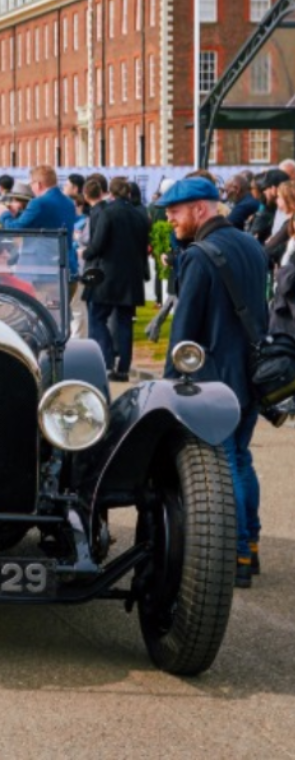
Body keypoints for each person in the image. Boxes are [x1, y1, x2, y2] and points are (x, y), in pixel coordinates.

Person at [160, 175, 267, 588]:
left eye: (175, 214)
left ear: (200, 209)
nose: (171, 221)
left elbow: (184, 331)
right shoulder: (251, 245)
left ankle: (235, 555)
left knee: (223, 466)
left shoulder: (199, 255)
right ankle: (250, 547)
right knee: (240, 459)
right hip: (251, 373)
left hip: (214, 379)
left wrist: (171, 386)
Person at [82, 176, 151, 381]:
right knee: (125, 321)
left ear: (110, 193)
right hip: (131, 275)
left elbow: (98, 244)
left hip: (107, 275)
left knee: (97, 318)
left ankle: (108, 358)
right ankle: (123, 368)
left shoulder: (108, 212)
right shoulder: (140, 215)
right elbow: (142, 246)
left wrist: (85, 253)